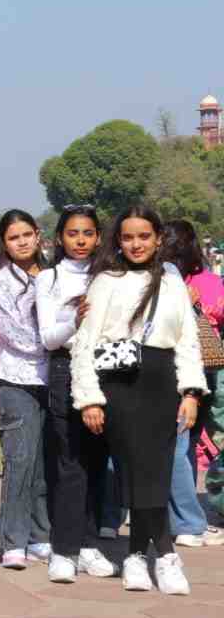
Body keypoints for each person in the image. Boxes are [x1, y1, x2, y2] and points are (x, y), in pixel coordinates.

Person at [72, 205, 207, 595]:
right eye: (128, 237)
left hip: (163, 384)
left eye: (144, 236)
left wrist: (191, 392)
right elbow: (85, 343)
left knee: (157, 473)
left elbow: (187, 340)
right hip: (120, 386)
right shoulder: (105, 281)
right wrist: (89, 399)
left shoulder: (172, 283)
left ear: (158, 238)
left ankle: (135, 554)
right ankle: (164, 554)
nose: (136, 244)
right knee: (135, 471)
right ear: (118, 240)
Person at [34, 204, 116, 584]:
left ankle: (88, 544)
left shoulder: (110, 276)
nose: (80, 240)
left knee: (98, 462)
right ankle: (64, 550)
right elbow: (48, 338)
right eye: (72, 233)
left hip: (105, 370)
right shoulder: (49, 278)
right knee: (70, 462)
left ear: (98, 238)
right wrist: (75, 319)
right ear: (59, 238)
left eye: (87, 233)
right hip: (65, 369)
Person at [0, 210, 51, 568]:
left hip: (54, 378)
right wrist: (57, 341)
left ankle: (41, 536)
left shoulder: (55, 274)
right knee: (19, 461)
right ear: (4, 244)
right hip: (17, 377)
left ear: (37, 234)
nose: (22, 242)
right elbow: (12, 332)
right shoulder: (0, 281)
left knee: (44, 463)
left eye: (26, 234)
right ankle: (13, 540)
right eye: (13, 237)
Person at [161, 219, 224, 548]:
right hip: (198, 368)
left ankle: (182, 517)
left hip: (188, 368)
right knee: (183, 443)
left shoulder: (164, 276)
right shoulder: (203, 280)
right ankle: (188, 521)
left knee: (183, 444)